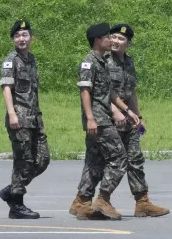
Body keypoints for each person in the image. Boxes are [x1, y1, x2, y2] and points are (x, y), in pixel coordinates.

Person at [106, 23, 169, 217]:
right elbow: (103, 92)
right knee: (109, 162)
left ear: (129, 43)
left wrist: (137, 117)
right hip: (110, 118)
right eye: (114, 37)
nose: (116, 41)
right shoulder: (104, 61)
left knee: (135, 160)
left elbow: (131, 91)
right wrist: (117, 112)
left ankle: (142, 202)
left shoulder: (129, 62)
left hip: (128, 118)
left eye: (121, 39)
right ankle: (93, 200)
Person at [69, 23, 129, 221]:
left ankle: (82, 201)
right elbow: (85, 91)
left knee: (95, 161)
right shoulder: (89, 62)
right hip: (98, 120)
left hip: (103, 116)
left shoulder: (102, 61)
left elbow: (108, 92)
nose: (111, 40)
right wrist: (91, 118)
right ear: (97, 40)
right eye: (107, 37)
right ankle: (103, 198)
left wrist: (126, 110)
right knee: (119, 157)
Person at [0, 19, 50, 220]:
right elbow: (6, 88)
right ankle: (16, 204)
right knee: (23, 162)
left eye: (25, 35)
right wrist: (12, 114)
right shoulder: (10, 60)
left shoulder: (31, 59)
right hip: (19, 118)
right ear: (13, 39)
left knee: (43, 159)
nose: (21, 39)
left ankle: (10, 190)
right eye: (17, 36)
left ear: (31, 38)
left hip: (35, 118)